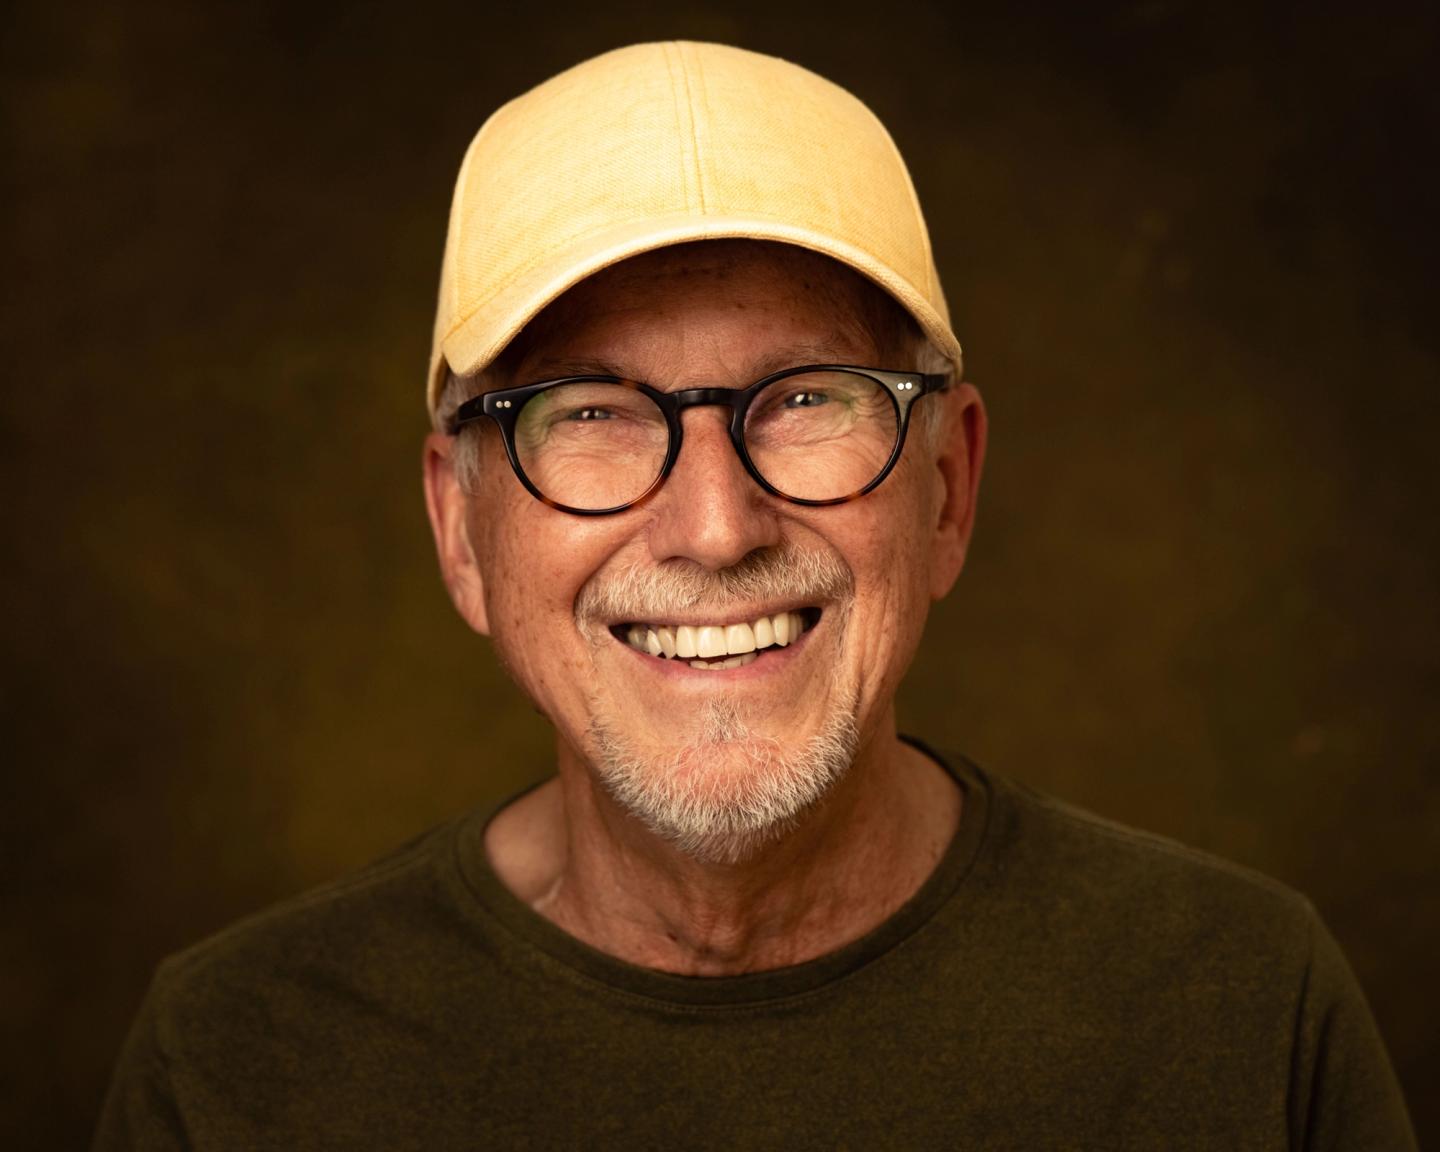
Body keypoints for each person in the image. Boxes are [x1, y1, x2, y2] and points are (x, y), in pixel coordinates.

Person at [95, 41, 1416, 1150]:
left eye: (805, 400)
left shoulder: (1244, 1010)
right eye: (590, 411)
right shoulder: (238, 1068)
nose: (718, 527)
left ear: (948, 488)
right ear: (460, 529)